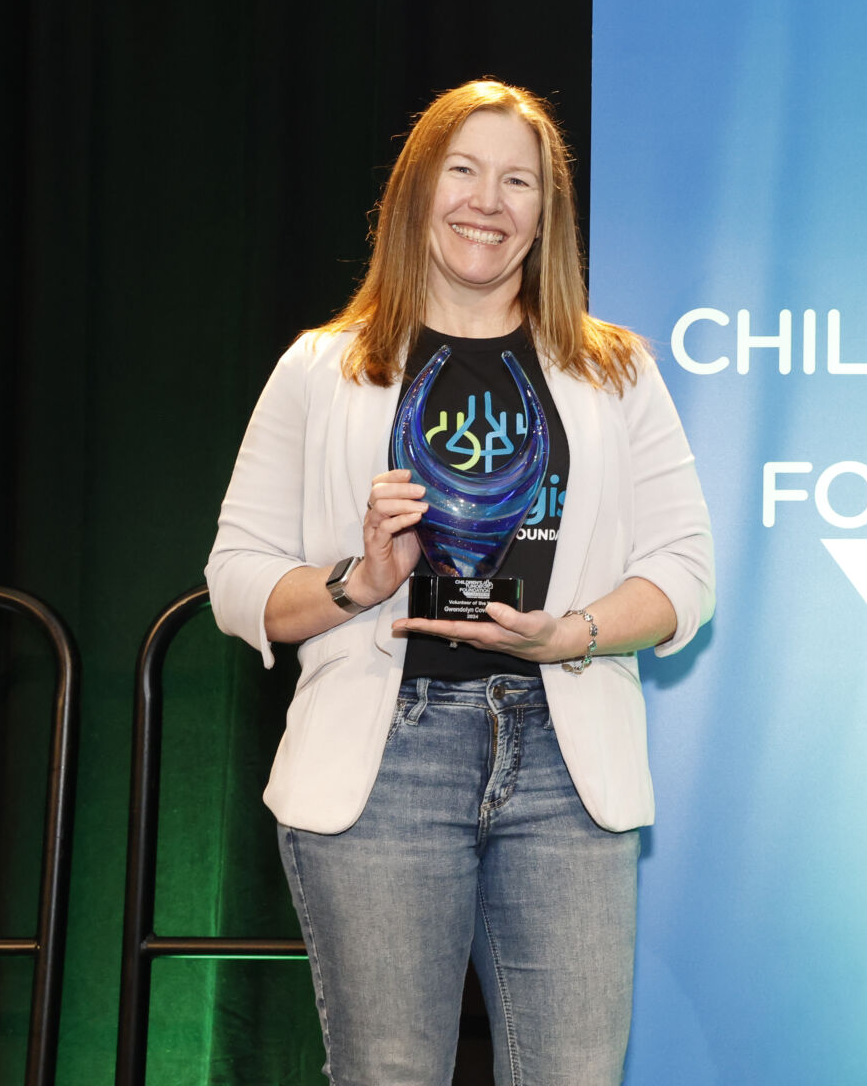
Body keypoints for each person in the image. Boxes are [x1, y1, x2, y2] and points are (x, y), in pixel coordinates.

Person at [206, 79, 714, 1085]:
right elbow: (238, 580)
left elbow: (683, 576)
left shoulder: (615, 372)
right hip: (384, 764)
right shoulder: (323, 368)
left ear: (546, 213)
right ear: (415, 193)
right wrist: (360, 580)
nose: (489, 200)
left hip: (568, 766)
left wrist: (567, 633)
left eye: (518, 180)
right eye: (464, 171)